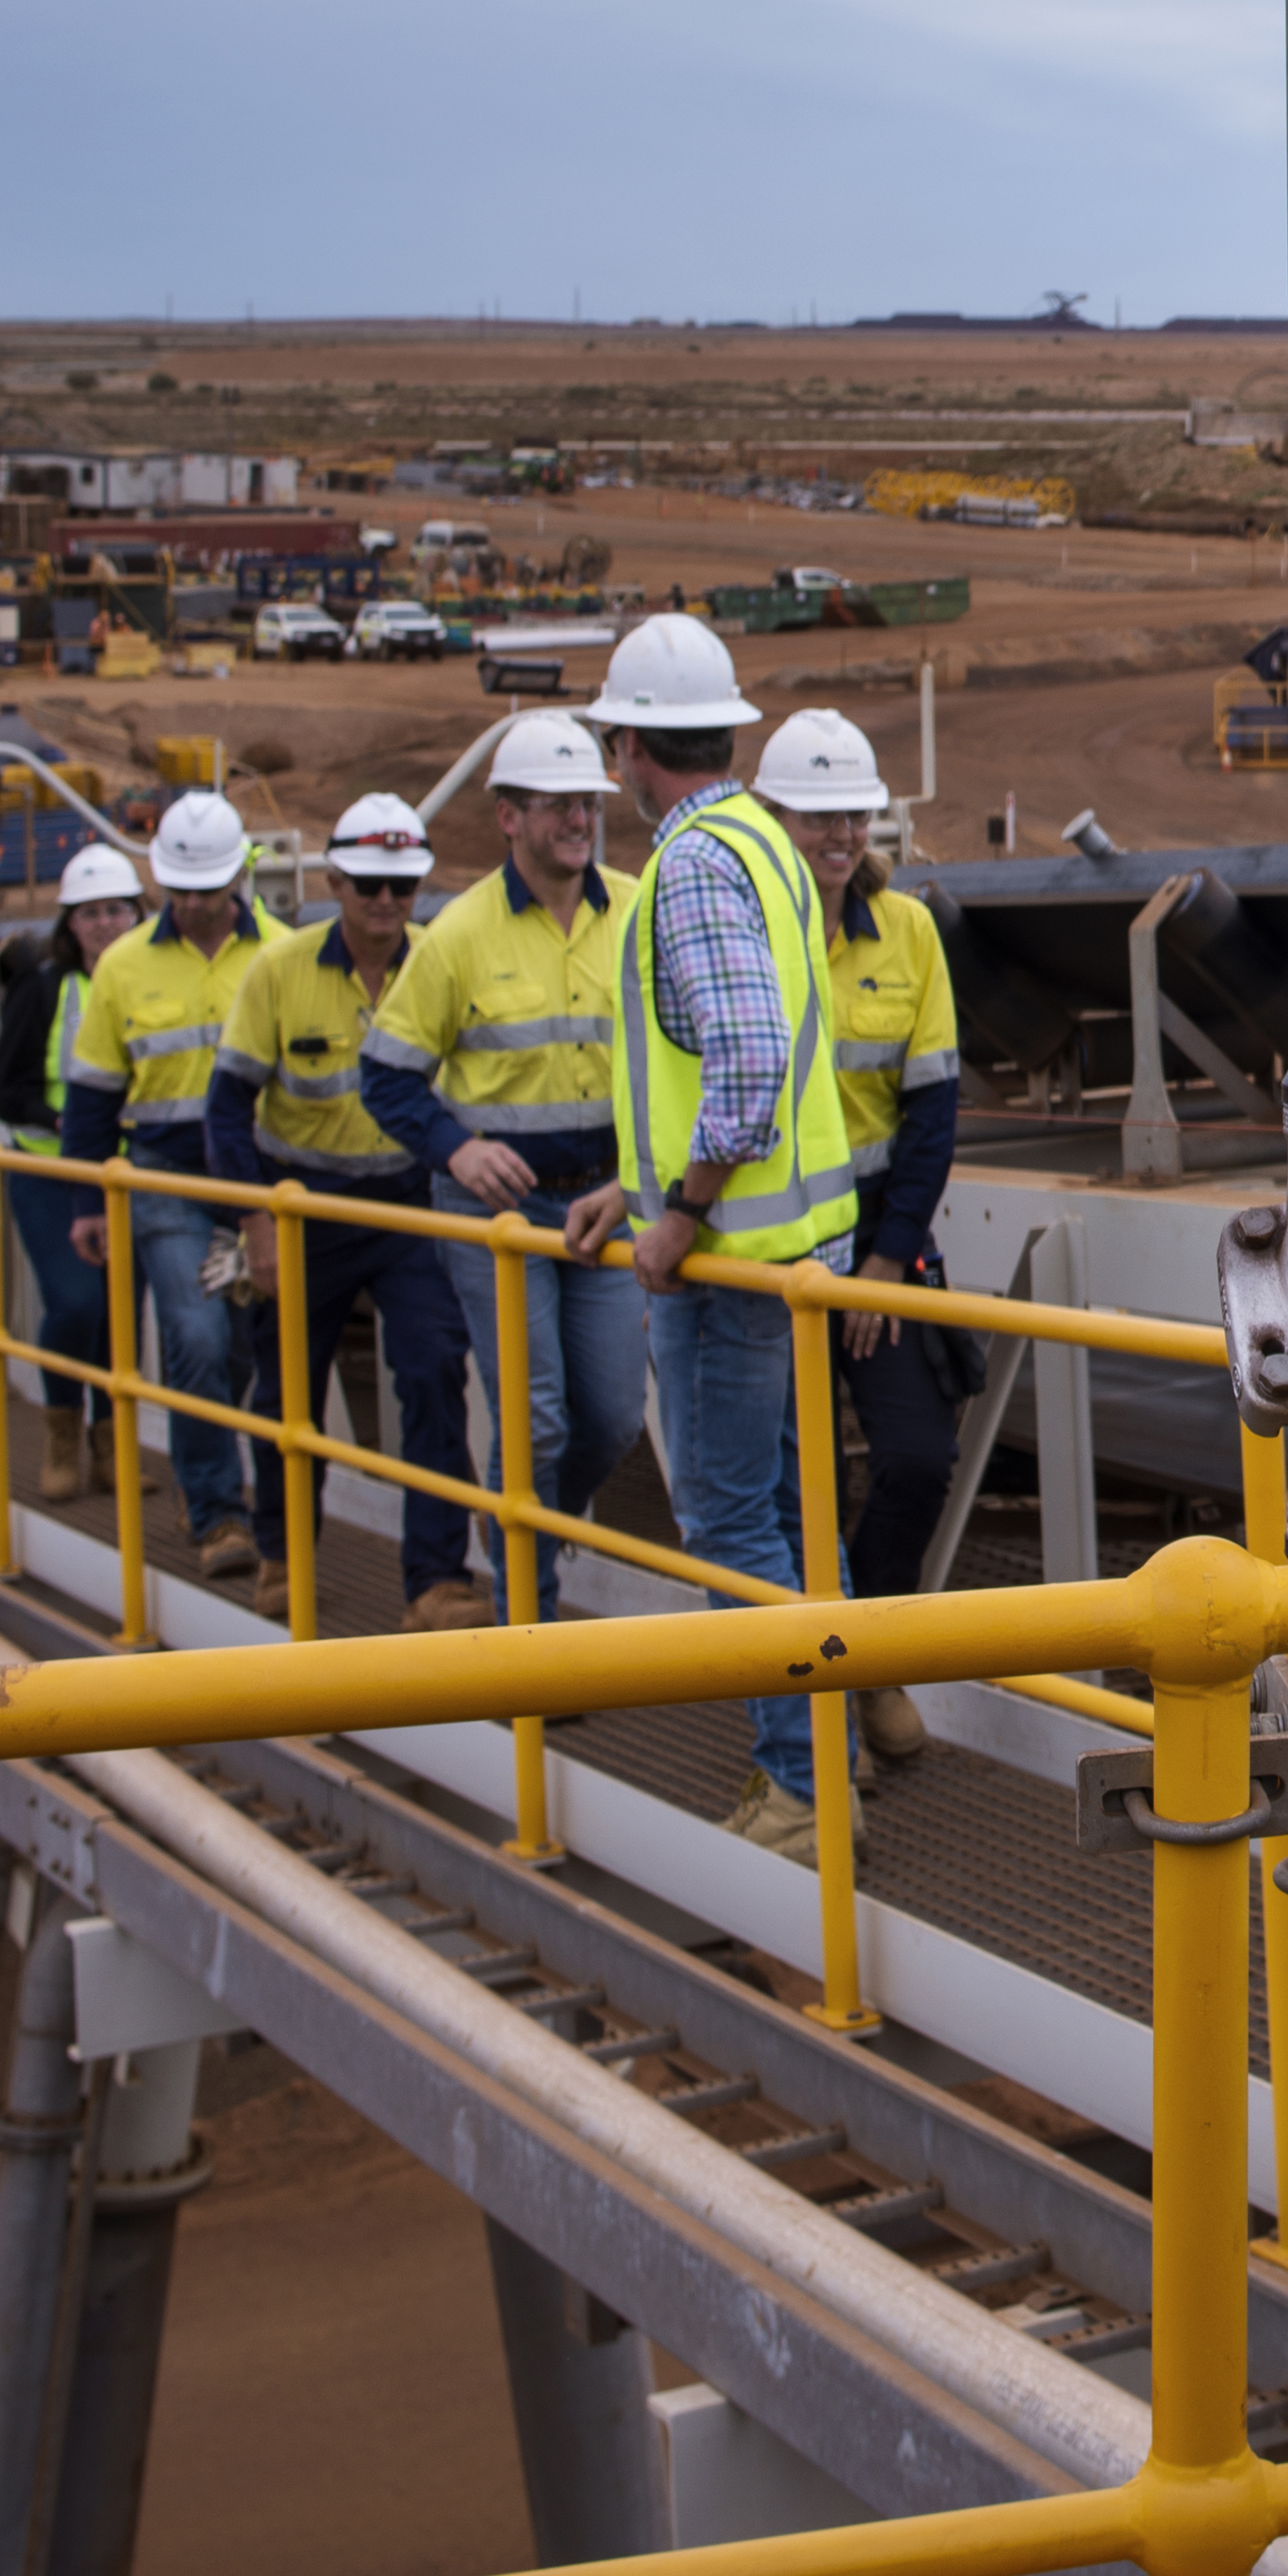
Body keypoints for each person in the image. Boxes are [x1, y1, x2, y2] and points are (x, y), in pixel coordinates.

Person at [556, 616, 868, 1861]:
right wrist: (635, 1196)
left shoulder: (689, 863)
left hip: (731, 1264)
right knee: (806, 1517)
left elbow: (743, 1064)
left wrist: (679, 1212)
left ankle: (800, 1790)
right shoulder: (767, 845)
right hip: (789, 1252)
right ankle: (832, 1752)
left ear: (630, 743)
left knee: (735, 1528)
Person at [363, 711, 646, 1580]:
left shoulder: (636, 910)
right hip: (498, 1208)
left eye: (587, 805)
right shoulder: (456, 936)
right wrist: (456, 1151)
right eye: (556, 805)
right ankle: (527, 1622)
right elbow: (386, 1077)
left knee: (612, 1417)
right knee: (539, 1418)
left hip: (605, 1200)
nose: (577, 821)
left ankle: (526, 1534)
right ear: (507, 817)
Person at [204, 793, 481, 1623]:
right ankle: (283, 1555)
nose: (386, 903)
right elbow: (226, 1109)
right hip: (303, 1209)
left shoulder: (441, 961)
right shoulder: (278, 970)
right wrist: (256, 1221)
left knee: (434, 1370)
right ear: (333, 881)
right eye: (367, 885)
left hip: (409, 1207)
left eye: (402, 886)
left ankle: (436, 1577)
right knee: (287, 1390)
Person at [752, 706, 962, 1766]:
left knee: (919, 1457)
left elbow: (932, 1114)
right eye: (813, 816)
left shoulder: (910, 934)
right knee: (792, 1489)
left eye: (853, 816)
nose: (838, 836)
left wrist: (886, 1262)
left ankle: (872, 1659)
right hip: (775, 1249)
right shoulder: (751, 936)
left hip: (879, 1246)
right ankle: (812, 1703)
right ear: (770, 818)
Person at [65, 793, 270, 1577]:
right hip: (165, 1178)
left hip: (251, 1181)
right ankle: (219, 1512)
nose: (192, 905)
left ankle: (203, 1470)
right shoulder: (123, 966)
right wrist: (88, 1201)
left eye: (207, 888)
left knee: (243, 1349)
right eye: (179, 889)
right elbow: (90, 1096)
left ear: (239, 878)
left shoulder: (279, 954)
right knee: (195, 1337)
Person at [0, 843, 147, 1500]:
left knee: (122, 1314)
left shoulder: (153, 982)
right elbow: (7, 1090)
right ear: (70, 925)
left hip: (131, 1175)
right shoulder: (47, 987)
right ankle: (62, 1430)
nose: (105, 924)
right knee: (75, 1303)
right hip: (51, 1174)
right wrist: (64, 1123)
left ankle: (111, 1445)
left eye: (116, 910)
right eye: (91, 914)